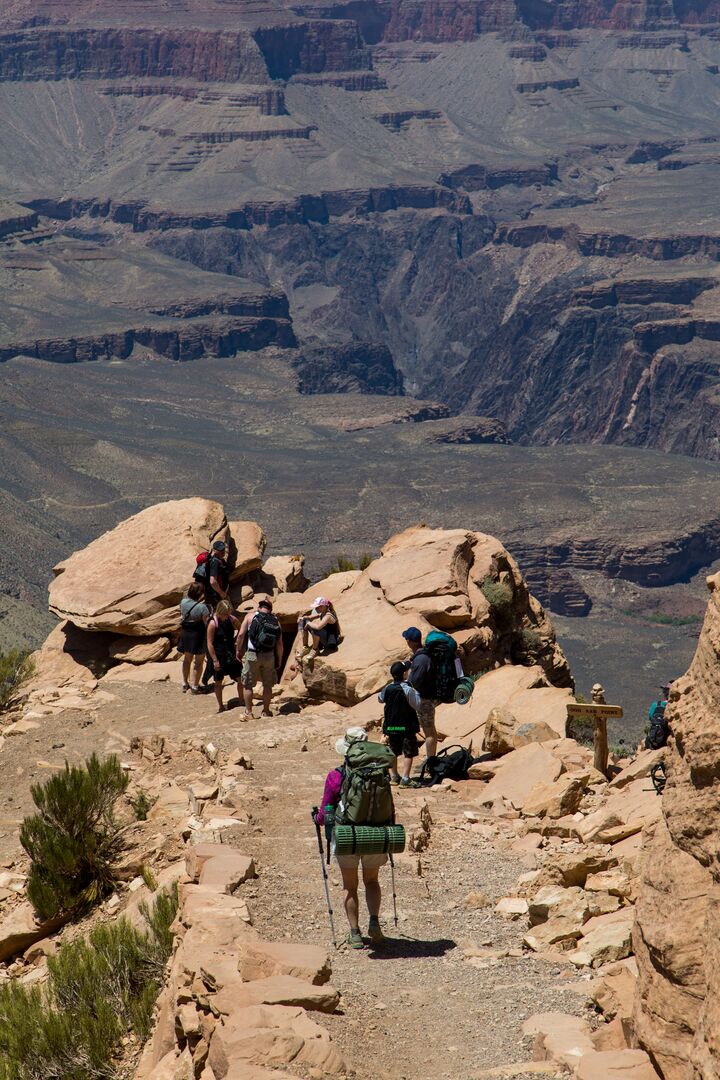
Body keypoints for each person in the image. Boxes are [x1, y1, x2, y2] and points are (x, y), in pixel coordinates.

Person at [315, 727, 388, 949]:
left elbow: (325, 815)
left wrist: (317, 817)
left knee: (350, 886)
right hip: (375, 835)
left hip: (347, 836)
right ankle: (374, 922)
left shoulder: (336, 776)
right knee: (372, 881)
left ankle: (355, 934)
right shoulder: (380, 773)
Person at [236, 597, 283, 721]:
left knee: (248, 685)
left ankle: (249, 713)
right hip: (269, 655)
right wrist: (279, 659)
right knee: (267, 685)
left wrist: (238, 651)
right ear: (270, 609)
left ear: (259, 607)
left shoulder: (250, 616)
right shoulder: (275, 621)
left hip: (252, 654)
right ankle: (266, 711)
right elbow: (279, 643)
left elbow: (241, 635)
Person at [379, 661, 421, 788]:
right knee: (409, 752)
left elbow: (380, 699)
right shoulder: (407, 689)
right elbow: (417, 704)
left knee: (394, 751)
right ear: (404, 673)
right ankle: (406, 778)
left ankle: (394, 776)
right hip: (406, 726)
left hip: (392, 726)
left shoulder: (387, 688)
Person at [401, 626, 438, 760]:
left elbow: (414, 682)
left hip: (424, 700)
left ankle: (431, 762)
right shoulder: (422, 656)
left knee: (430, 733)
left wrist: (407, 676)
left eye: (407, 639)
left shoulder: (421, 659)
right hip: (425, 699)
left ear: (411, 641)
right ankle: (431, 760)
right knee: (430, 731)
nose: (406, 641)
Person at [205, 600, 243, 713]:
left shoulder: (231, 619)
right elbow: (209, 643)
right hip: (219, 655)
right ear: (220, 612)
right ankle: (221, 706)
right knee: (218, 682)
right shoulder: (213, 623)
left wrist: (237, 642)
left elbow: (241, 629)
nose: (227, 616)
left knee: (241, 679)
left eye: (228, 613)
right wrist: (215, 660)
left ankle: (241, 701)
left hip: (230, 654)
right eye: (225, 614)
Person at [178, 582, 210, 694]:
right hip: (198, 635)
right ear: (201, 594)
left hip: (186, 633)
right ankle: (195, 686)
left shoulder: (183, 602)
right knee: (198, 662)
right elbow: (206, 623)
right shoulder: (203, 608)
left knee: (187, 659)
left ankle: (185, 683)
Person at [295, 597, 340, 665]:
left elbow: (318, 627)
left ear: (323, 606)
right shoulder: (323, 613)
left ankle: (315, 649)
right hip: (325, 637)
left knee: (315, 629)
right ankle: (306, 647)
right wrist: (303, 618)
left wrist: (308, 623)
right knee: (304, 621)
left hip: (330, 642)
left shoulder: (328, 616)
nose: (315, 609)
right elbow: (311, 617)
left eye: (317, 607)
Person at [204, 540, 230, 609]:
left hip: (214, 593)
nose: (223, 552)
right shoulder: (214, 562)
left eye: (223, 549)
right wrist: (221, 593)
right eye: (220, 550)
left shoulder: (214, 558)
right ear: (214, 550)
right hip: (215, 595)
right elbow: (212, 581)